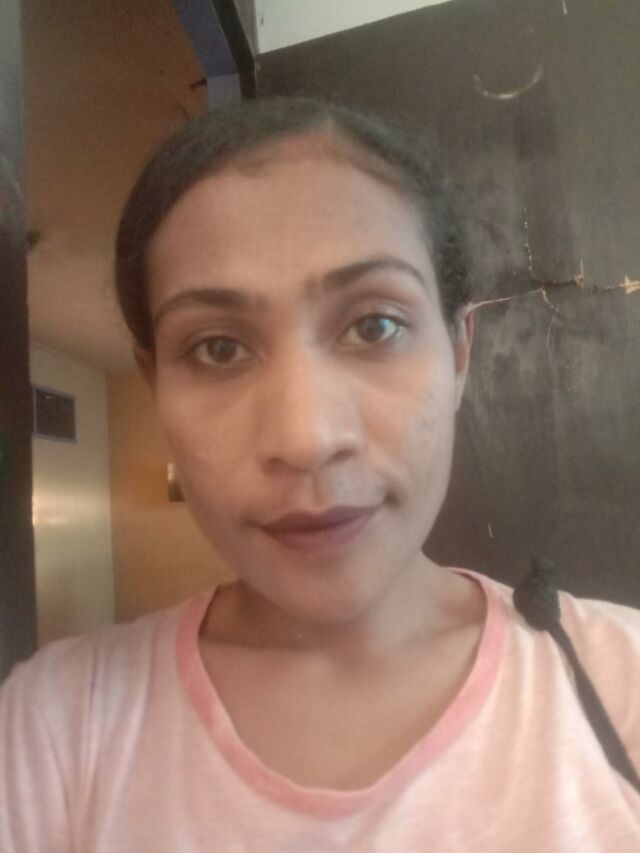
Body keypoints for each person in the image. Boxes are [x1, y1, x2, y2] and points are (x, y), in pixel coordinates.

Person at [1, 96, 640, 851]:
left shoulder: (621, 684)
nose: (306, 438)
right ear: (156, 384)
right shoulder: (52, 731)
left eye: (375, 325)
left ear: (458, 352)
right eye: (217, 348)